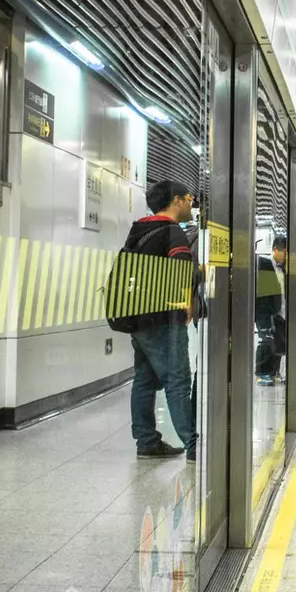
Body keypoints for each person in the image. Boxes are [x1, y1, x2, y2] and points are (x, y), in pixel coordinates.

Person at [121, 179, 197, 459]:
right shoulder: (171, 232)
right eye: (188, 197)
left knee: (143, 379)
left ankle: (147, 442)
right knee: (177, 379)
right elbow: (180, 270)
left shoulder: (138, 229)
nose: (191, 203)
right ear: (176, 200)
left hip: (137, 317)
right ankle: (193, 445)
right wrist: (187, 300)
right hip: (163, 317)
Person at [254, 235, 288, 385]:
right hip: (265, 311)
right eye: (285, 252)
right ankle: (262, 372)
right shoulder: (264, 263)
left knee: (279, 342)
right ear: (275, 249)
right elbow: (265, 293)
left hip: (280, 312)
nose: (286, 256)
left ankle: (274, 371)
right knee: (266, 341)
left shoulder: (282, 268)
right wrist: (267, 314)